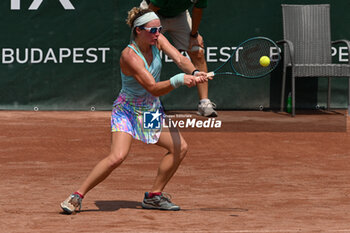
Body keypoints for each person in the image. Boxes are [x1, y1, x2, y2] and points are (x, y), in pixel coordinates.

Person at [60, 7, 209, 214]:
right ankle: (77, 196)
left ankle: (154, 196)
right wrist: (180, 80)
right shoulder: (129, 56)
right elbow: (153, 87)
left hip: (150, 110)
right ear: (138, 31)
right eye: (153, 30)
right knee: (117, 157)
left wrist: (194, 71)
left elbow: (180, 58)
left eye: (159, 29)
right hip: (127, 111)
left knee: (179, 148)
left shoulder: (158, 40)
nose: (158, 33)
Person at [140, 0, 217, 117]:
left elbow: (198, 10)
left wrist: (194, 35)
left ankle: (204, 103)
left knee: (198, 52)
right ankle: (147, 102)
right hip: (154, 13)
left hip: (179, 15)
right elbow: (151, 10)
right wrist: (149, 31)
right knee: (148, 53)